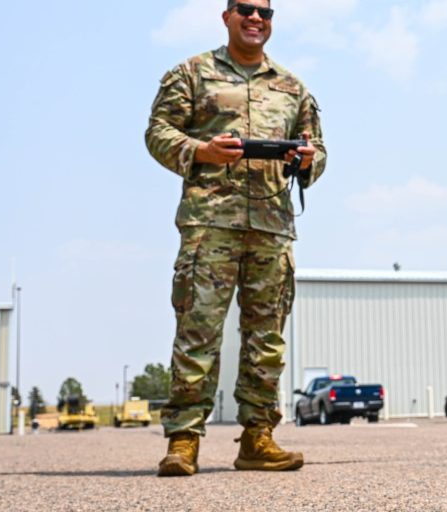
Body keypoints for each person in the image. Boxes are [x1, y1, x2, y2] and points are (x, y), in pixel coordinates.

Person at [145, 0, 326, 477]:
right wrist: (201, 149)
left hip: (271, 226)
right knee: (197, 332)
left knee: (266, 338)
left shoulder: (292, 88)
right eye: (245, 9)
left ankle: (257, 439)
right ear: (226, 16)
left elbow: (318, 149)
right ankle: (183, 440)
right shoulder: (192, 73)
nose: (256, 18)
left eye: (266, 12)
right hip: (211, 224)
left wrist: (308, 161)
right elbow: (158, 132)